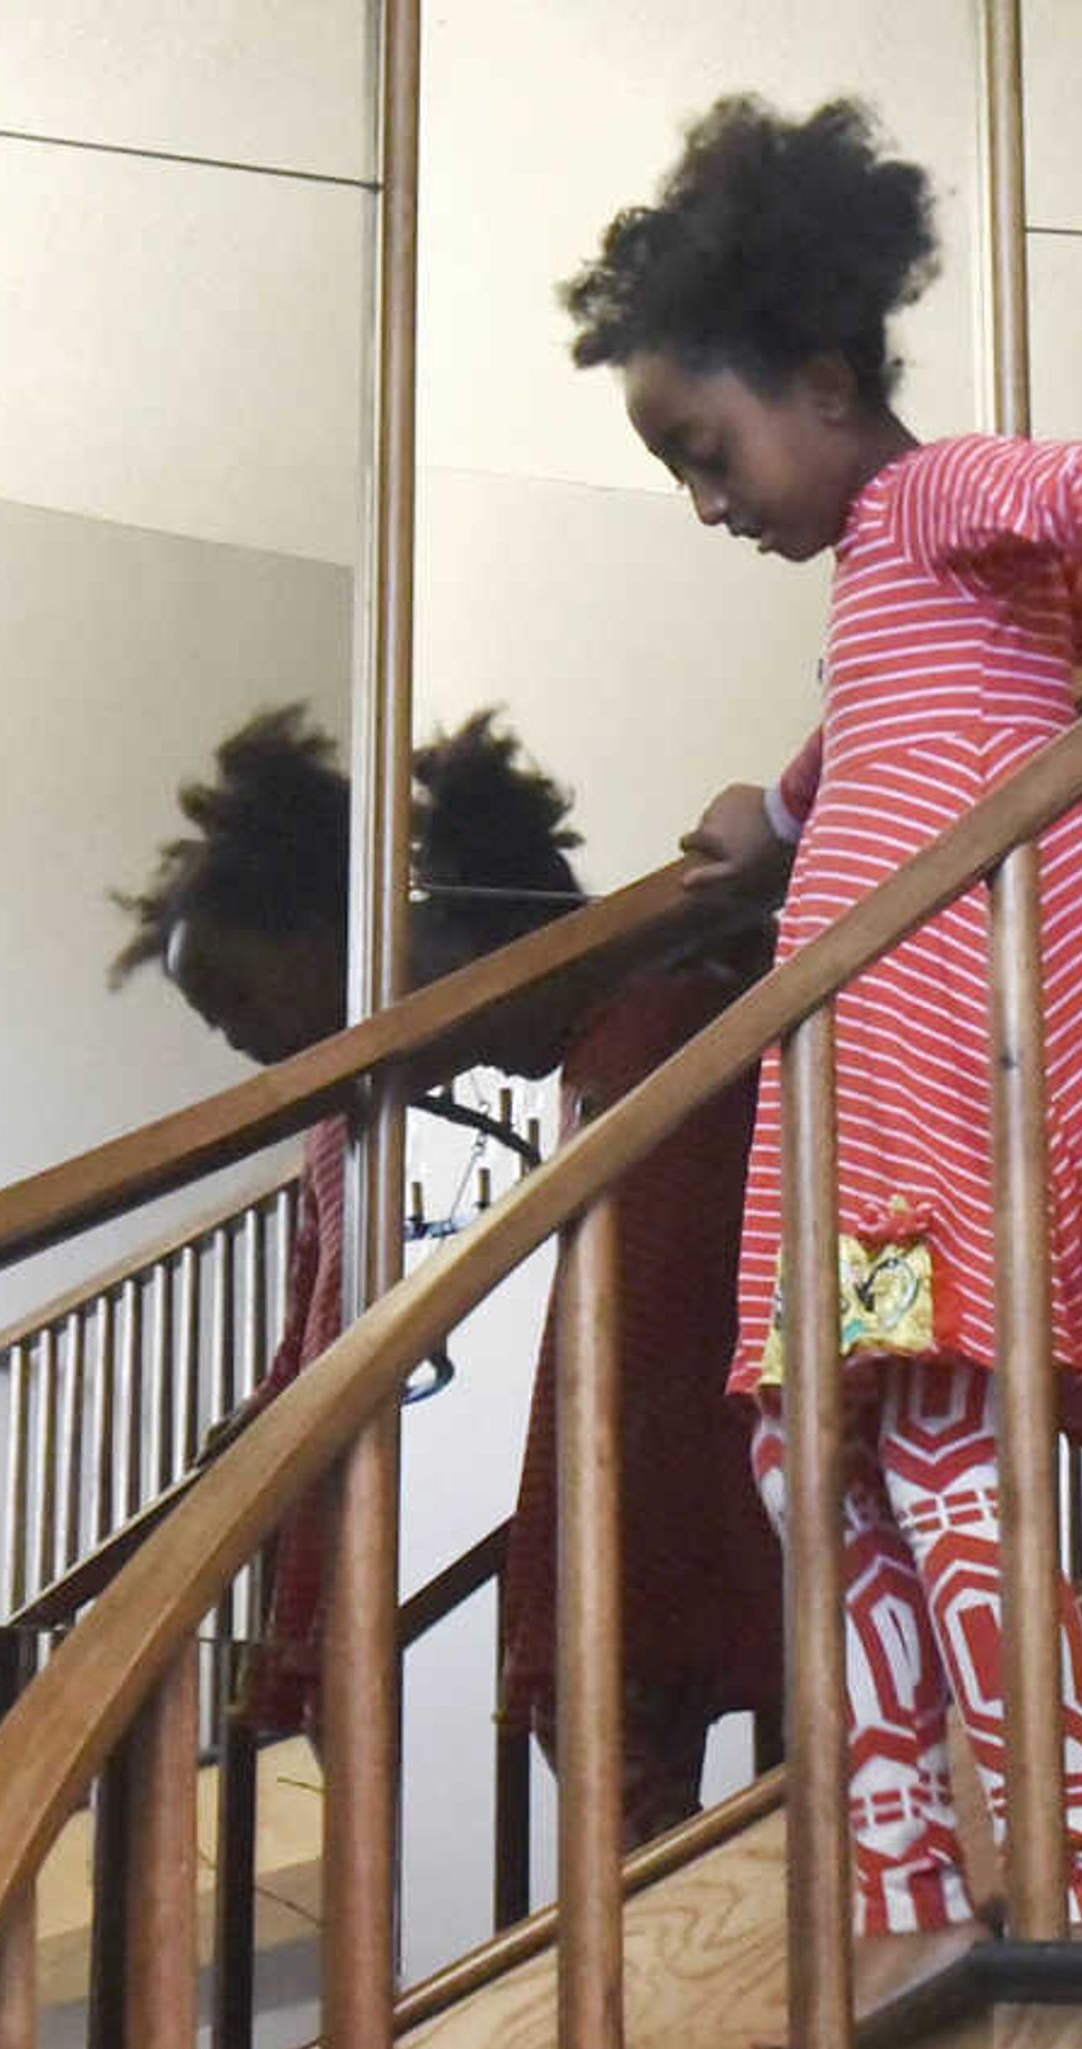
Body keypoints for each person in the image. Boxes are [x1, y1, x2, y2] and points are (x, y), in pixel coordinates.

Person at [564, 95, 1082, 1999]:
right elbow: (889, 739)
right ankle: (916, 1904)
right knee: (809, 1472)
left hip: (940, 1088)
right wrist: (773, 807)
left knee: (927, 1464)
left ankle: (1052, 1890)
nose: (706, 500)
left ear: (825, 382)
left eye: (708, 451)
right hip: (859, 1100)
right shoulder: (885, 584)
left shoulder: (935, 502)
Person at [113, 708, 782, 1836]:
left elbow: (655, 1348)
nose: (250, 1047)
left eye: (240, 1000)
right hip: (666, 1452)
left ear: (341, 928)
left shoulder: (656, 1032)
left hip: (688, 1439)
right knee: (599, 1698)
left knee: (604, 1693)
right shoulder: (608, 1044)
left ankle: (692, 1965)